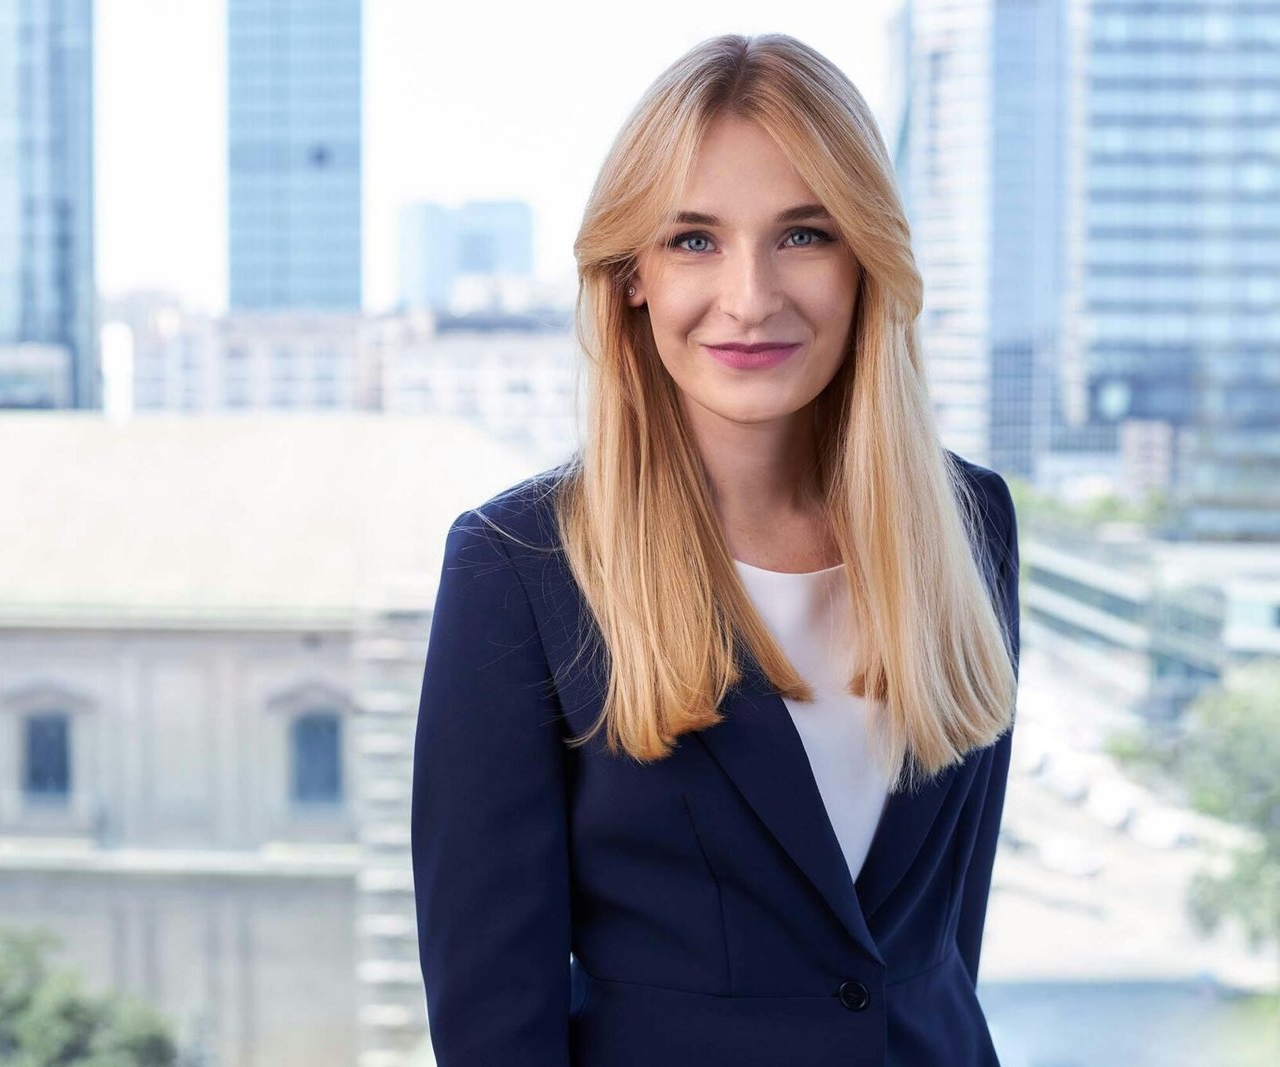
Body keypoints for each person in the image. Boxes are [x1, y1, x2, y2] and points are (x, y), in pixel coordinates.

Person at [410, 32, 1019, 1067]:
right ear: (631, 273)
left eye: (804, 235)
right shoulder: (519, 567)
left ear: (866, 259)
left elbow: (940, 948)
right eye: (694, 239)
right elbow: (491, 1022)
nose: (749, 297)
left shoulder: (972, 519)